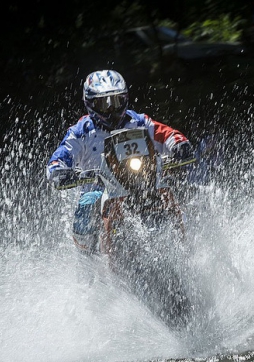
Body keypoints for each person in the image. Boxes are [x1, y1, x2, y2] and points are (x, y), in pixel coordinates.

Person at [46, 69, 194, 253]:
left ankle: (187, 250)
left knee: (168, 190)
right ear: (90, 104)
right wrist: (59, 171)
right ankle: (88, 258)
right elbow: (59, 157)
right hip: (99, 188)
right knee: (86, 205)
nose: (111, 109)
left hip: (143, 181)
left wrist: (179, 144)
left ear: (125, 99)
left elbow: (165, 133)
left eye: (116, 101)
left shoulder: (139, 121)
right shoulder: (81, 131)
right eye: (104, 103)